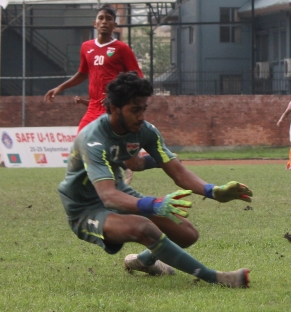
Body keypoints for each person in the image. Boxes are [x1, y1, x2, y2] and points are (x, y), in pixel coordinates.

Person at [57, 72, 253, 287]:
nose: (141, 116)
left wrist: (213, 191)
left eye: (143, 109)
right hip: (84, 208)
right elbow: (108, 196)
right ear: (114, 109)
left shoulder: (145, 131)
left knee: (187, 234)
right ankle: (215, 277)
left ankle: (143, 261)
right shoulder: (93, 138)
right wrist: (154, 204)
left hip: (120, 193)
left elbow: (177, 172)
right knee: (143, 227)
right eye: (134, 110)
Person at [44, 5, 152, 183]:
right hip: (94, 106)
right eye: (101, 18)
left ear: (114, 25)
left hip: (112, 107)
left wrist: (122, 96)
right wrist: (60, 88)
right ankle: (90, 181)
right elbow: (82, 73)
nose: (104, 22)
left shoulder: (121, 48)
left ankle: (153, 162)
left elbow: (137, 76)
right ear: (95, 23)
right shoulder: (86, 47)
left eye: (109, 19)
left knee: (126, 157)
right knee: (81, 143)